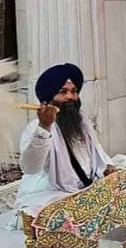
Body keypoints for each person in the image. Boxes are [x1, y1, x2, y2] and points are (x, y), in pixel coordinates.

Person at [15, 63, 116, 215]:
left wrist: (107, 165)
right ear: (49, 98)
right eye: (63, 92)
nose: (70, 97)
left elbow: (96, 149)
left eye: (74, 91)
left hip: (84, 186)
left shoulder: (81, 121)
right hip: (50, 192)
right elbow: (30, 167)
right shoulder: (35, 128)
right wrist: (44, 127)